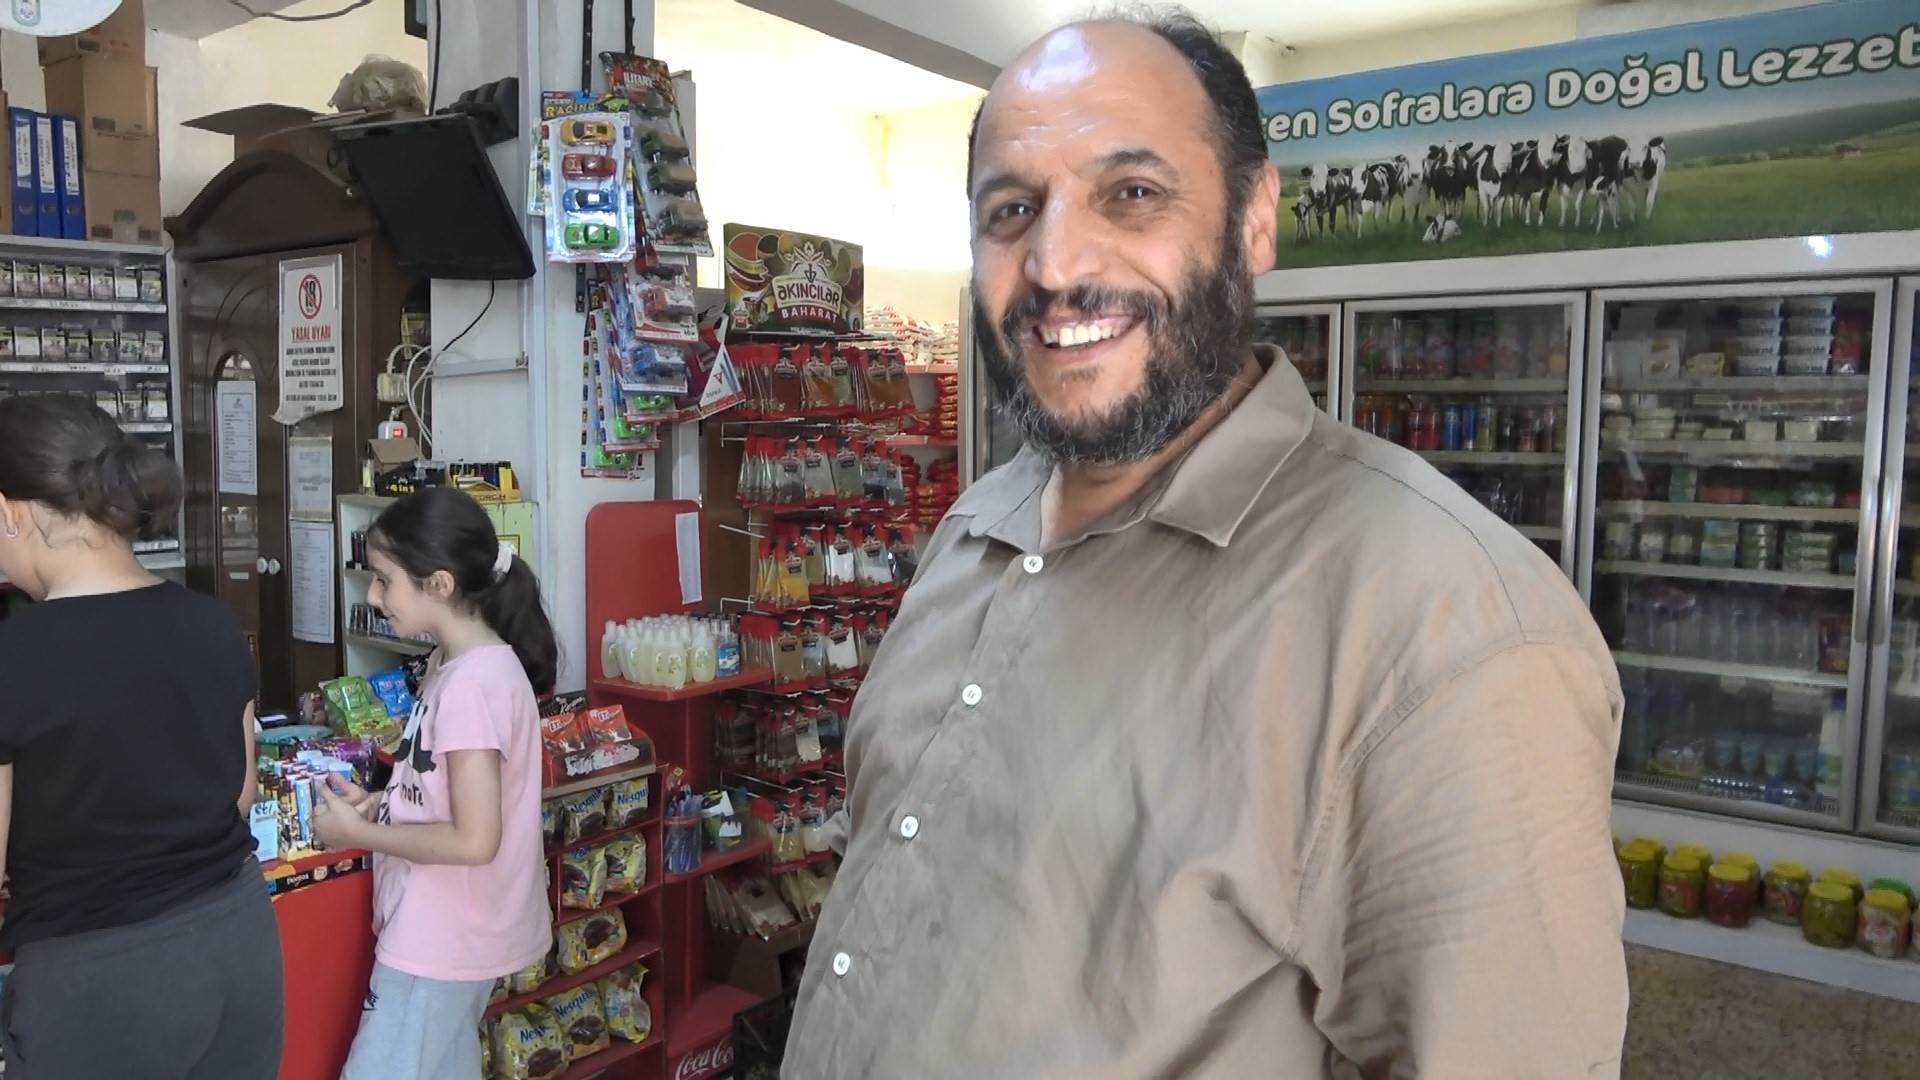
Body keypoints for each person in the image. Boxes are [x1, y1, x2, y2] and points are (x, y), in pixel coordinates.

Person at [785, 9, 1627, 1078]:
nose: (1054, 264)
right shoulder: (975, 524)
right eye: (1012, 210)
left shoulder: (1447, 632)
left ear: (1255, 218)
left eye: (1132, 193)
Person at [0, 396, 283, 1078]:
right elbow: (240, 795)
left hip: (97, 979)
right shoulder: (214, 626)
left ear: (11, 512)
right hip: (239, 945)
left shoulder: (15, 657)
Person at [311, 487, 555, 1079]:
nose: (373, 596)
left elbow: (475, 839)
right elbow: (442, 788)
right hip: (447, 931)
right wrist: (381, 802)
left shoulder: (473, 685)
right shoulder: (456, 665)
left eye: (384, 580)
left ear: (440, 584)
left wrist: (360, 837)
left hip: (443, 937)